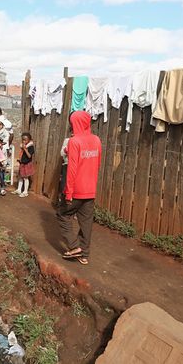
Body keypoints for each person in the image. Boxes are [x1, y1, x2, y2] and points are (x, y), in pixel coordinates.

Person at [58, 111, 101, 266]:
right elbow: (97, 164)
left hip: (76, 189)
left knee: (63, 214)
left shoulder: (74, 141)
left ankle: (74, 246)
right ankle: (84, 254)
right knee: (86, 222)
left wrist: (68, 192)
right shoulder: (96, 140)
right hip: (90, 189)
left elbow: (72, 169)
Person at [14, 132, 35, 197]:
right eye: (23, 139)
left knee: (26, 178)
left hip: (27, 164)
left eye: (25, 140)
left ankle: (25, 191)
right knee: (20, 177)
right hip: (22, 163)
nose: (24, 141)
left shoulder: (31, 147)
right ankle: (19, 190)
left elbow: (29, 156)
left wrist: (25, 149)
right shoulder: (23, 147)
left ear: (29, 140)